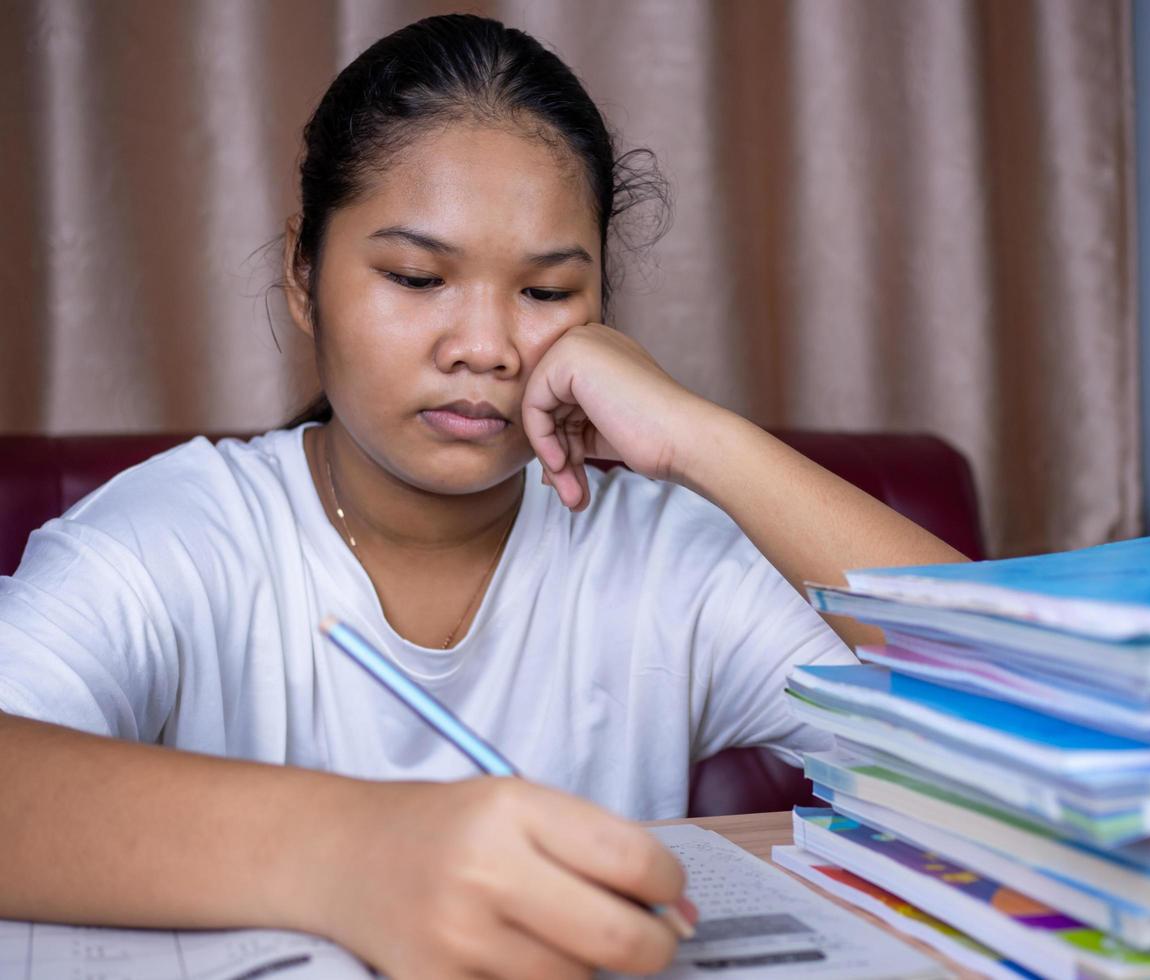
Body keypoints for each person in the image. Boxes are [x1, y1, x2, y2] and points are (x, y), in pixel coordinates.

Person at [0, 14, 963, 979]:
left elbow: (1060, 727)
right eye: (418, 277)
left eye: (545, 293)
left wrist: (700, 437)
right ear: (304, 273)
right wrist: (353, 853)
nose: (486, 347)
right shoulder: (176, 535)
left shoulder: (672, 556)